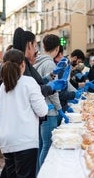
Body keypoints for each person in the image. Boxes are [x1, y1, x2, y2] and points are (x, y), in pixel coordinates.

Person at [0, 49, 48, 177]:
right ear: (23, 65)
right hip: (24, 140)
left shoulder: (3, 86)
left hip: (5, 140)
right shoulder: (28, 82)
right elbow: (42, 111)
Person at [33, 34, 69, 171]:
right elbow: (53, 91)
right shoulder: (49, 63)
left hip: (41, 110)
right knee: (47, 147)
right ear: (57, 48)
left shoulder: (38, 60)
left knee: (41, 146)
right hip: (50, 111)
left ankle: (38, 172)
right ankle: (44, 172)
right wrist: (59, 109)